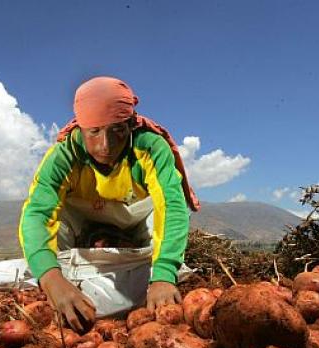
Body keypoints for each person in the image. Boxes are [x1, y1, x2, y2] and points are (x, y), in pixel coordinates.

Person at [19, 76, 200, 331]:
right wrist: (51, 279)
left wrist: (163, 275)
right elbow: (37, 214)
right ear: (81, 128)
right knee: (48, 243)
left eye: (118, 130)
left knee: (161, 223)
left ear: (130, 124)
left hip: (134, 219)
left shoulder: (150, 146)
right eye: (94, 131)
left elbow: (171, 205)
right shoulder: (64, 155)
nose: (106, 145)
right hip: (83, 220)